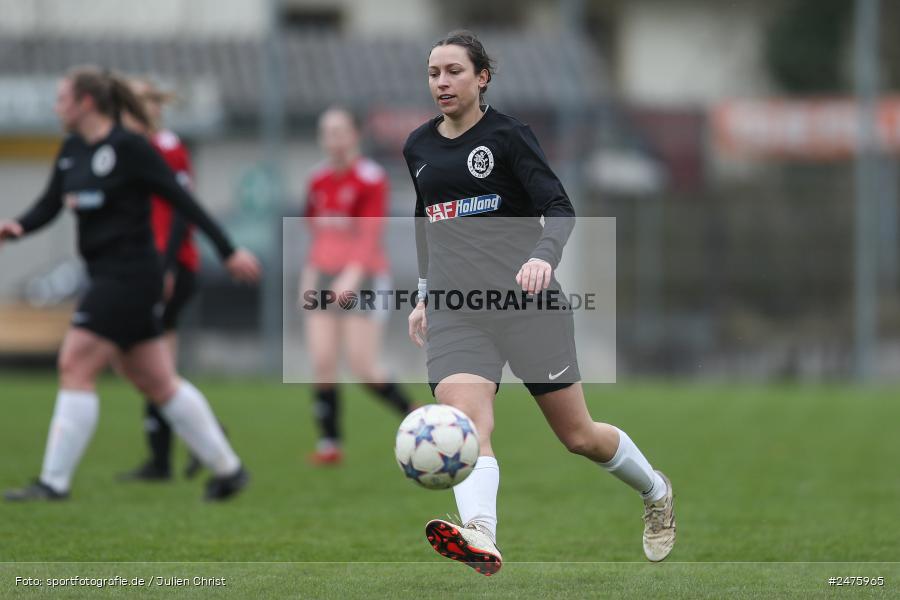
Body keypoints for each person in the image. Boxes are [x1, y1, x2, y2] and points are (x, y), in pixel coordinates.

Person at [403, 31, 676, 575]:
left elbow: (561, 207)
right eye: (434, 73)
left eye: (454, 71)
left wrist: (544, 257)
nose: (442, 82)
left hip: (529, 308)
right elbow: (423, 220)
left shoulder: (509, 137)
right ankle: (480, 532)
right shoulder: (419, 146)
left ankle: (656, 491)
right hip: (458, 311)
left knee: (579, 437)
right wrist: (424, 293)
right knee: (467, 421)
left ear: (482, 78)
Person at [0, 66, 261, 502]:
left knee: (74, 364)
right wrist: (16, 228)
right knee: (157, 381)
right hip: (106, 274)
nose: (55, 106)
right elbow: (48, 205)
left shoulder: (130, 148)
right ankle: (229, 470)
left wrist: (228, 249)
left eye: (61, 98)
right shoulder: (72, 150)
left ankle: (53, 483)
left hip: (132, 276)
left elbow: (184, 202)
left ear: (86, 103)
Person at [300, 106, 415, 465]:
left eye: (339, 131)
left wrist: (351, 275)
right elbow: (316, 229)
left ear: (354, 135)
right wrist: (311, 272)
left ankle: (418, 419)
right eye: (326, 132)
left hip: (364, 275)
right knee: (322, 361)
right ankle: (329, 445)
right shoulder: (317, 180)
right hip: (323, 274)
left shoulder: (370, 178)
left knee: (363, 367)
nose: (332, 139)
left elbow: (369, 233)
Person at [115, 78, 210, 482]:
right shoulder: (132, 147)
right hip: (145, 268)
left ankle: (165, 459)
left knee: (151, 365)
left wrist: (167, 267)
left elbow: (181, 210)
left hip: (173, 268)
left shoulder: (169, 147)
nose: (142, 109)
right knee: (144, 366)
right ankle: (200, 439)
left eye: (148, 102)